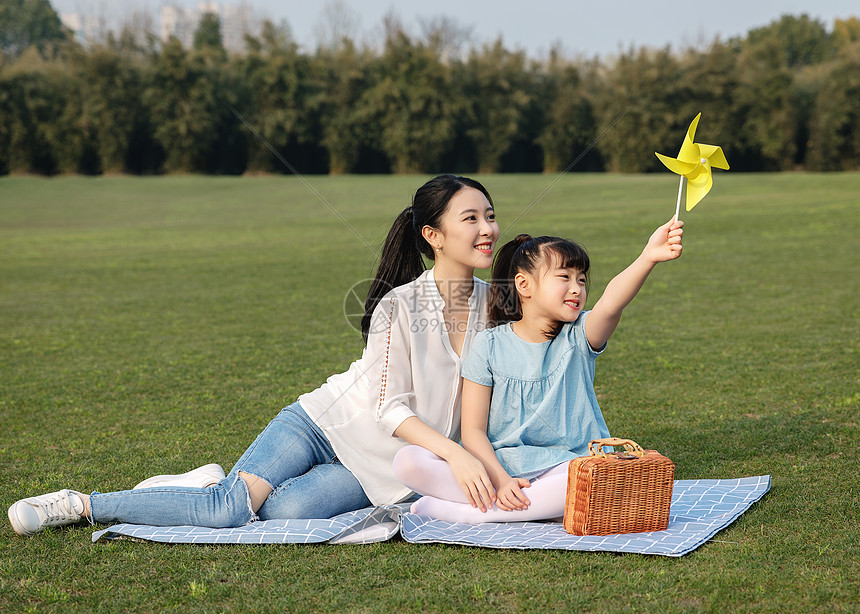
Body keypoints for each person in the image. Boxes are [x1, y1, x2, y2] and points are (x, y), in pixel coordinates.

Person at [8, 174, 501, 537]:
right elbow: (389, 408)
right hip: (321, 424)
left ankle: (201, 485)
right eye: (471, 218)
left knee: (277, 515)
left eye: (490, 215)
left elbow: (566, 336)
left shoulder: (495, 305)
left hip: (377, 469)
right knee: (228, 510)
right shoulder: (399, 306)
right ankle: (81, 504)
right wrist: (454, 452)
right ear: (433, 236)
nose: (487, 228)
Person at [393, 218, 684, 523]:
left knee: (592, 480)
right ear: (524, 285)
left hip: (569, 465)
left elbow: (611, 304)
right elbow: (473, 431)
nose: (577, 288)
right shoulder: (488, 344)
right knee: (408, 461)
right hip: (500, 467)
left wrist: (648, 256)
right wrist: (502, 480)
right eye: (564, 277)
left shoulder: (580, 336)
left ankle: (473, 513)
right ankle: (514, 503)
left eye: (582, 280)